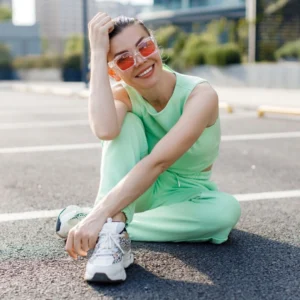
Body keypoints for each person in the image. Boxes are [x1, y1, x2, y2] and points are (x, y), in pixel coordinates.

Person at [55, 12, 241, 283]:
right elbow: (105, 130)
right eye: (124, 59)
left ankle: (96, 223)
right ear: (113, 70)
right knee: (124, 125)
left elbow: (159, 162)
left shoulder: (200, 95)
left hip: (187, 195)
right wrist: (97, 53)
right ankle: (113, 236)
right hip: (137, 192)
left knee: (225, 213)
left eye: (144, 46)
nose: (140, 59)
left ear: (155, 43)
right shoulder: (124, 97)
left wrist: (96, 215)